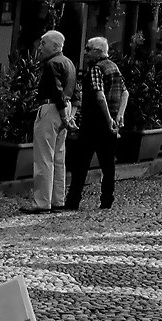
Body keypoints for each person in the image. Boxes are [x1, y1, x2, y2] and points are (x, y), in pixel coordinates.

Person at [65, 37, 127, 211]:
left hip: (94, 123)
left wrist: (108, 119)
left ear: (98, 52)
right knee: (108, 165)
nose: (85, 52)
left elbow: (99, 96)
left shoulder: (96, 69)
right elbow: (125, 93)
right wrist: (119, 116)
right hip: (111, 124)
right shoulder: (113, 67)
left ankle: (73, 200)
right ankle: (107, 200)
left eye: (88, 49)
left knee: (81, 163)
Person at [25, 30, 77, 212]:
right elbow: (74, 93)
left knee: (44, 156)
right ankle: (57, 199)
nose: (40, 47)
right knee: (58, 157)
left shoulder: (52, 64)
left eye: (43, 43)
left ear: (55, 46)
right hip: (65, 108)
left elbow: (57, 90)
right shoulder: (69, 62)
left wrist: (64, 115)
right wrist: (70, 116)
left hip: (52, 107)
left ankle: (42, 202)